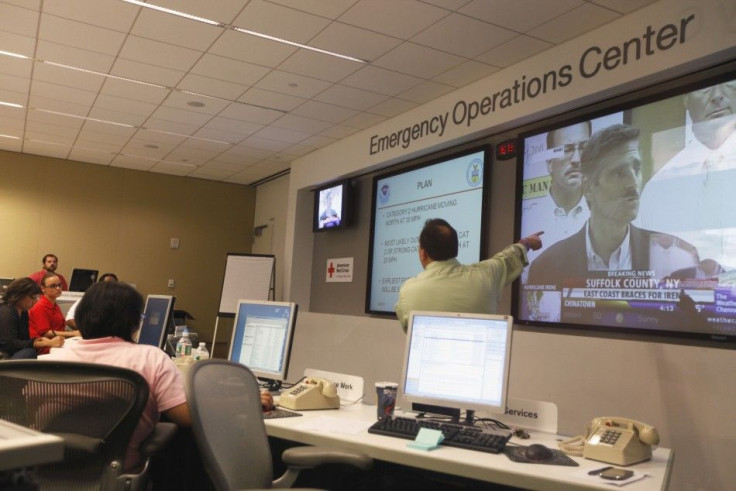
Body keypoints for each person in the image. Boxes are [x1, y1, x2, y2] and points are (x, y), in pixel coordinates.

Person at [528, 124, 699, 286]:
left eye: (636, 169)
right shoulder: (545, 268)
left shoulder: (679, 259)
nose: (634, 183)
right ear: (588, 187)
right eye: (618, 173)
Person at [637, 80, 736, 271]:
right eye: (705, 86)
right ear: (685, 99)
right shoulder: (658, 188)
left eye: (729, 83)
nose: (717, 95)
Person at [394, 218, 543, 332]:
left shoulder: (408, 291)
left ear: (423, 253)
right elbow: (508, 257)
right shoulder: (486, 275)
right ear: (455, 248)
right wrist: (527, 242)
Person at [0, 278, 64, 359]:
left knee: (30, 352)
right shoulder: (7, 311)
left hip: (11, 352)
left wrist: (41, 341)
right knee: (29, 353)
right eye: (32, 297)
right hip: (4, 354)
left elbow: (24, 340)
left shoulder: (23, 312)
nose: (35, 301)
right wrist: (39, 343)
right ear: (20, 295)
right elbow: (8, 344)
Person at [28, 273, 81, 354]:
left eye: (59, 285)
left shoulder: (54, 304)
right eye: (53, 286)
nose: (58, 288)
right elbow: (46, 333)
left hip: (58, 342)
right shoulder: (40, 306)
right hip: (45, 347)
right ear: (43, 288)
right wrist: (73, 333)